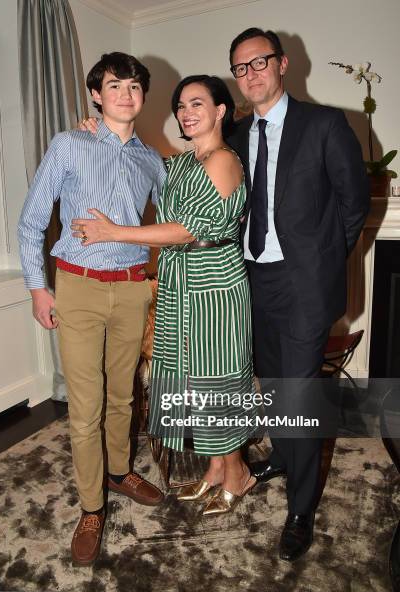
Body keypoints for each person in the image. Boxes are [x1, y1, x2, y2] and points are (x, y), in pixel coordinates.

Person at [71, 75, 257, 516]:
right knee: (193, 382)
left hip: (213, 283)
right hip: (180, 282)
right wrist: (94, 133)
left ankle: (239, 474)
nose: (186, 112)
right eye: (180, 105)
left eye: (197, 103)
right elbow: (133, 163)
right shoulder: (181, 162)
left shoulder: (224, 161)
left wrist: (113, 233)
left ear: (220, 111)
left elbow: (188, 228)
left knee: (217, 382)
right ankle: (215, 468)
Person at [226, 27, 370, 561]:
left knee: (299, 394)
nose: (250, 74)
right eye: (240, 68)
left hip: (304, 282)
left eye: (259, 62)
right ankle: (287, 456)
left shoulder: (326, 124)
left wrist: (323, 260)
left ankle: (301, 508)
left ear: (282, 64)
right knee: (271, 384)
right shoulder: (237, 134)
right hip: (252, 278)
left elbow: (354, 204)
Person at [18, 52, 165, 566]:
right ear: (96, 96)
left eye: (134, 86)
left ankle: (120, 472)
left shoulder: (153, 160)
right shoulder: (70, 144)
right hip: (77, 288)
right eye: (114, 85)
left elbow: (169, 223)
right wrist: (39, 288)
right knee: (86, 407)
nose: (126, 94)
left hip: (131, 288)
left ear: (142, 96)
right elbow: (31, 222)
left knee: (124, 395)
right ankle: (91, 506)